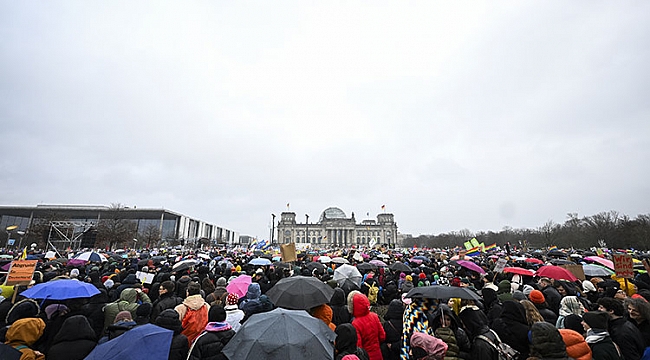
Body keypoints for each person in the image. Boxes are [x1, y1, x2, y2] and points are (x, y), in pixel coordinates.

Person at [350, 292, 386, 360]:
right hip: (378, 354)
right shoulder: (374, 316)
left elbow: (358, 346)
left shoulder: (355, 323)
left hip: (366, 356)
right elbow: (382, 336)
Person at [175, 281, 210, 346]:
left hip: (183, 342)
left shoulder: (180, 308)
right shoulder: (207, 306)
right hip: (200, 341)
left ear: (187, 292)